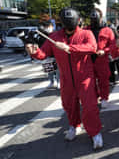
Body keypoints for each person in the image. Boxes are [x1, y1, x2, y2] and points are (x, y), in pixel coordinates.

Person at [25, 8, 103, 149]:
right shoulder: (55, 37)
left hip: (85, 79)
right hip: (66, 79)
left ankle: (95, 132)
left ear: (78, 21)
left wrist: (69, 47)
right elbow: (43, 53)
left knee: (90, 108)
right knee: (69, 106)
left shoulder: (86, 33)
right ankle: (74, 126)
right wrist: (34, 52)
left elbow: (92, 47)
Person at [89, 8, 115, 108]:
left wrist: (105, 51)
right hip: (88, 59)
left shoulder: (107, 30)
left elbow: (112, 45)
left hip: (102, 59)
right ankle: (94, 97)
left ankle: (104, 98)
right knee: (90, 82)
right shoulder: (86, 30)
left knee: (103, 81)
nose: (94, 21)